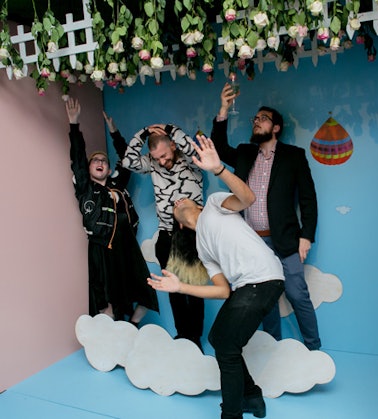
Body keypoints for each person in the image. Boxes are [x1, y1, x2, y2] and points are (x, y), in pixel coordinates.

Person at [148, 135, 285, 419]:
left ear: (196, 205)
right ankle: (252, 398)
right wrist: (179, 286)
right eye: (173, 205)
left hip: (264, 278)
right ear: (180, 225)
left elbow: (248, 198)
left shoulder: (214, 204)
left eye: (183, 199)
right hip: (248, 286)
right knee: (218, 338)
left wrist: (219, 169)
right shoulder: (202, 247)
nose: (178, 200)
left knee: (224, 342)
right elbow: (222, 290)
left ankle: (231, 413)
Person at [210, 83, 321, 351]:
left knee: (297, 294)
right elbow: (218, 147)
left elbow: (308, 199)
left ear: (276, 127)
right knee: (265, 297)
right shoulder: (245, 153)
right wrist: (223, 108)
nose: (256, 122)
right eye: (255, 119)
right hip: (253, 241)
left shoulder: (294, 156)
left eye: (262, 119)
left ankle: (314, 349)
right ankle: (274, 347)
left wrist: (306, 237)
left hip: (285, 240)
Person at [107, 120, 205, 349]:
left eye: (164, 155)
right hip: (165, 235)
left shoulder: (192, 160)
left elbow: (190, 147)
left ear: (172, 145)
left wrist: (170, 128)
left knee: (195, 288)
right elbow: (129, 161)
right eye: (157, 157)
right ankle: (182, 336)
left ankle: (195, 339)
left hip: (190, 234)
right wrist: (143, 133)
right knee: (174, 289)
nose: (162, 161)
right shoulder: (152, 162)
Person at [65, 98, 159, 324]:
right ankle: (111, 335)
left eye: (104, 161)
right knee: (106, 300)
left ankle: (131, 326)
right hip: (102, 247)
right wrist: (74, 124)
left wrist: (114, 132)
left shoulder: (117, 184)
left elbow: (127, 159)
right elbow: (77, 159)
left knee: (145, 293)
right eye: (95, 160)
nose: (100, 162)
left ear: (108, 168)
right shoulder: (86, 188)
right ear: (88, 169)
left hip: (127, 245)